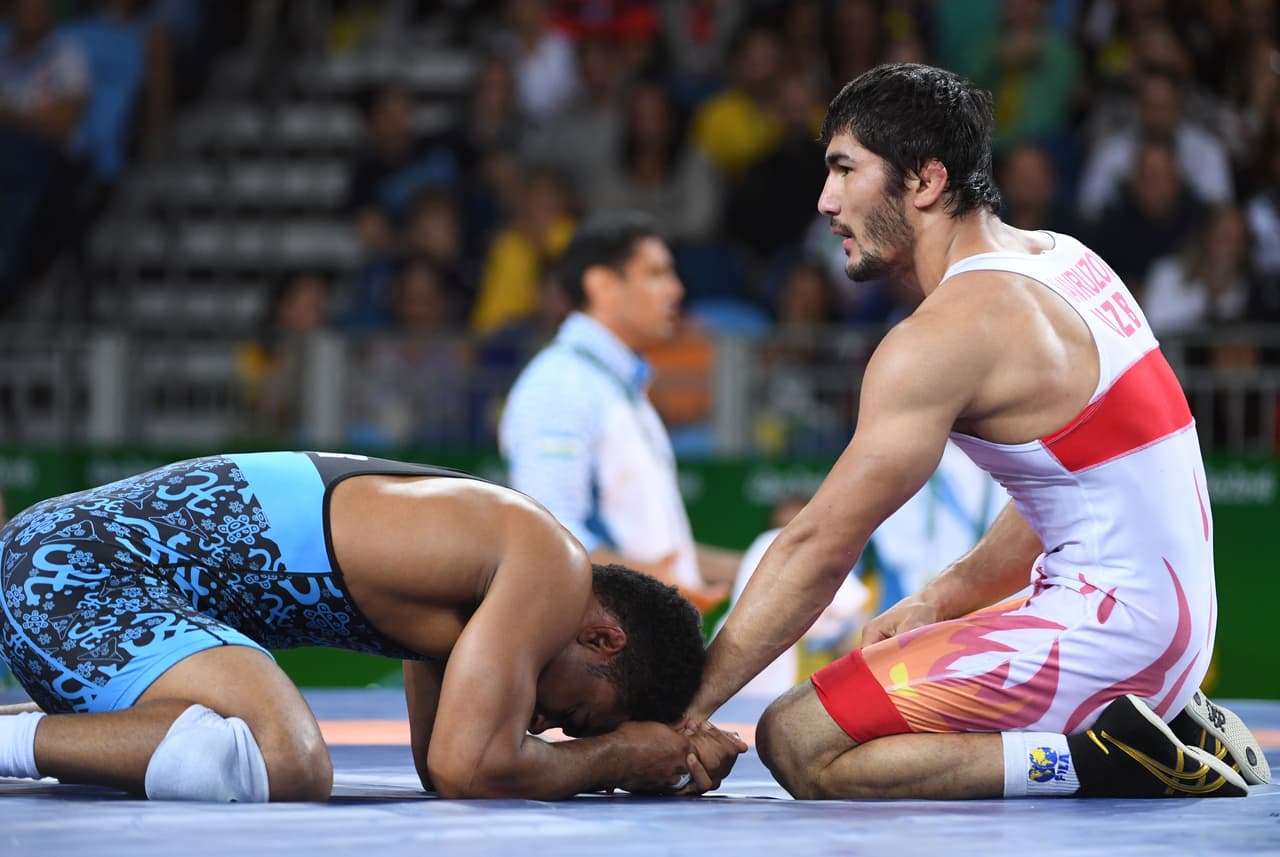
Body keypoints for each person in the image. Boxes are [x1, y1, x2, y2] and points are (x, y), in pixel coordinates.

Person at [683, 63, 1271, 801]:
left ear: (925, 181)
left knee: (795, 737)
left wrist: (689, 708)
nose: (826, 201)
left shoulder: (944, 335)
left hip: (1118, 635)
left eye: (844, 169)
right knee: (868, 696)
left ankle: (1097, 756)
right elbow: (1064, 489)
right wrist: (944, 595)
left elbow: (818, 545)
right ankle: (1156, 721)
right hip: (1160, 624)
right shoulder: (1065, 257)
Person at [0, 451, 743, 801]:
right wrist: (616, 755)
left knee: (229, 750)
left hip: (66, 579)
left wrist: (654, 753)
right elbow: (468, 767)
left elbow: (438, 764)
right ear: (603, 638)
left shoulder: (472, 586)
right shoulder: (551, 562)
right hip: (82, 575)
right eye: (575, 712)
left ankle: (27, 728)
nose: (543, 721)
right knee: (284, 760)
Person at [499, 212, 739, 610]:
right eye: (656, 274)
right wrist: (654, 583)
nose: (675, 290)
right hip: (601, 652)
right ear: (603, 286)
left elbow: (661, 553)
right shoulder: (560, 384)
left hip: (636, 645)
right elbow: (545, 540)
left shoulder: (615, 385)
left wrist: (756, 567)